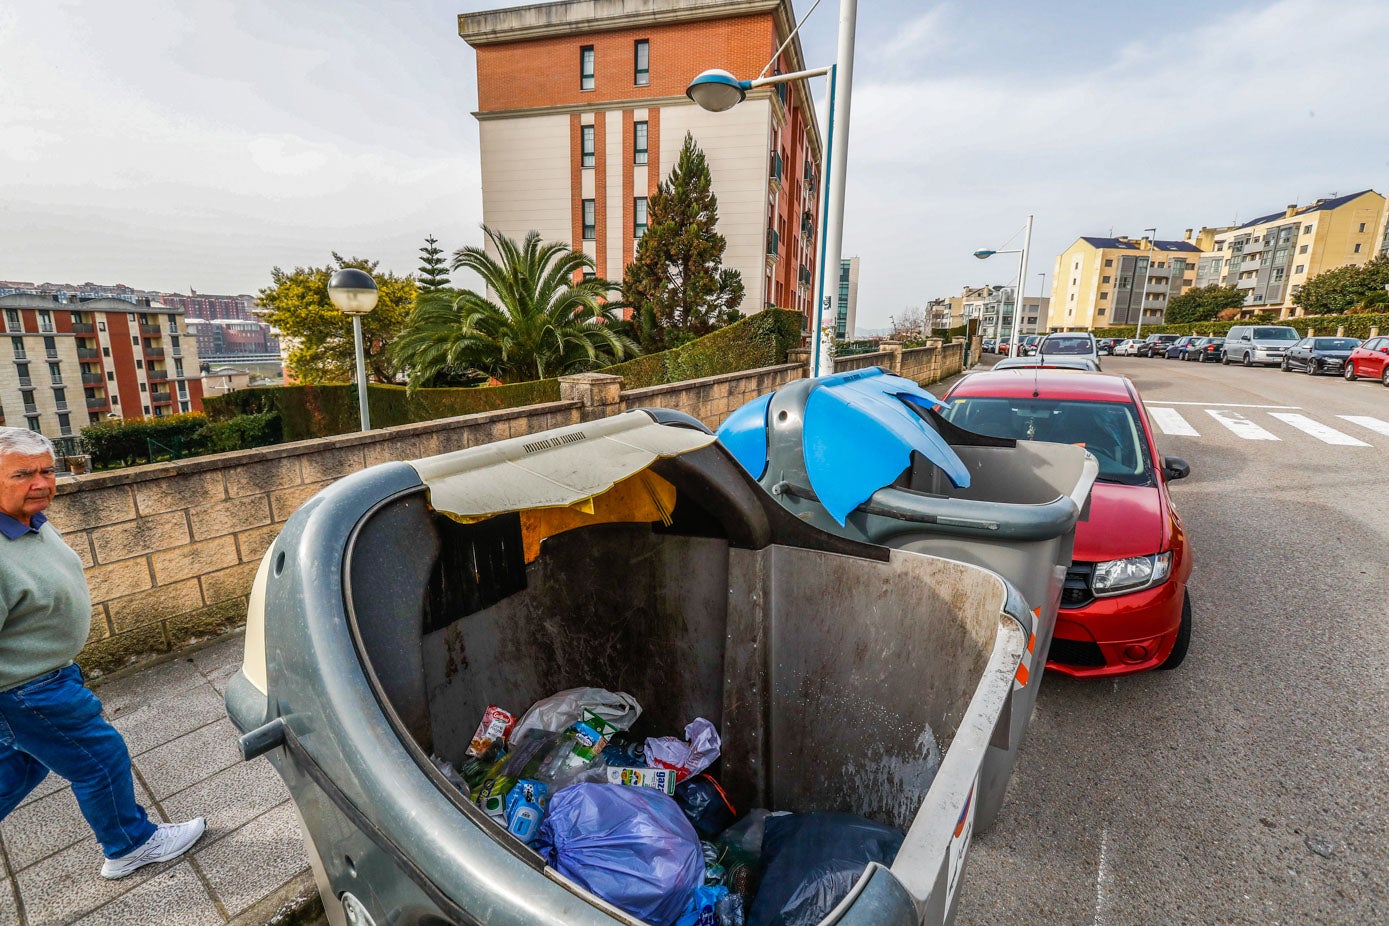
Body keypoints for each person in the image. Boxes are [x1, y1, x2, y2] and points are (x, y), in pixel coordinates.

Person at [0, 427, 205, 879]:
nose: (41, 483)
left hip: (43, 681)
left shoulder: (28, 520)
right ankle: (130, 845)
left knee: (22, 767)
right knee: (99, 758)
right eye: (23, 474)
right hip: (28, 689)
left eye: (47, 471)